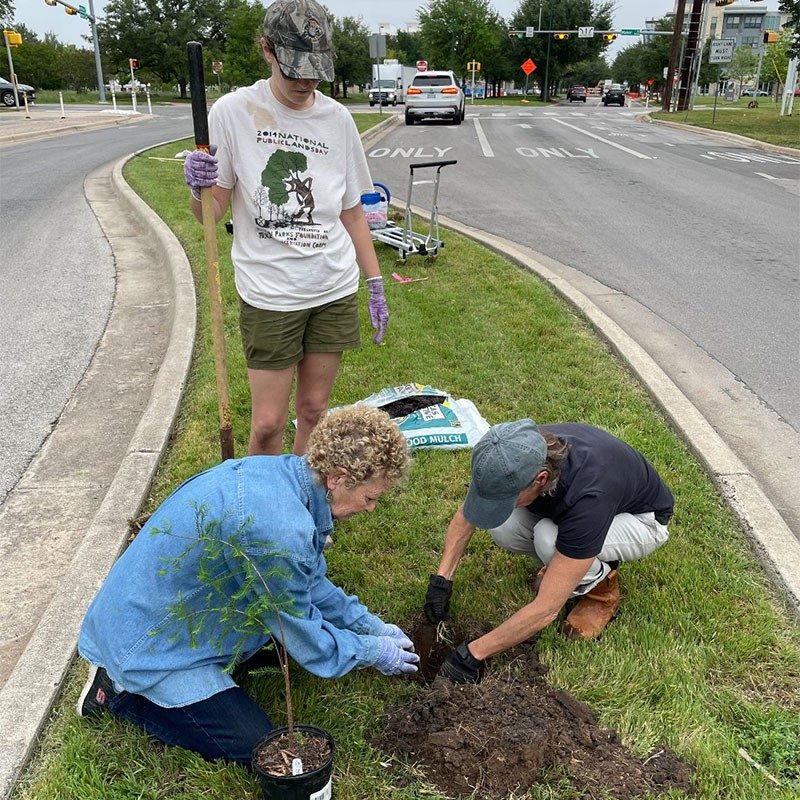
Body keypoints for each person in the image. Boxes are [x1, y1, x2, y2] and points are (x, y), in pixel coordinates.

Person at [76, 406, 417, 765]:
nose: (372, 509)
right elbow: (307, 638)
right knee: (255, 746)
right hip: (147, 642)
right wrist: (372, 651)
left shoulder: (284, 477)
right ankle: (113, 691)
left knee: (271, 642)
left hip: (161, 610)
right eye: (370, 497)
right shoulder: (279, 532)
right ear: (338, 478)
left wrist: (367, 625)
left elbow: (309, 582)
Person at [183, 0, 388, 456]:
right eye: (295, 68)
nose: (306, 80)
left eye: (315, 68)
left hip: (332, 286)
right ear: (266, 50)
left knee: (315, 411)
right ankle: (264, 511)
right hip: (270, 292)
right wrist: (200, 189)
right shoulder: (233, 112)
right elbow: (212, 215)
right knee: (268, 426)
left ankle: (300, 505)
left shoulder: (337, 120)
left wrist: (374, 282)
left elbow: (351, 211)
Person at [425, 419, 674, 684]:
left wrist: (473, 655)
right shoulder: (513, 452)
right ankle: (566, 565)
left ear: (540, 479)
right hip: (580, 507)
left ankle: (601, 590)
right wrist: (442, 579)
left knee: (548, 539)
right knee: (503, 527)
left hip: (641, 520)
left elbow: (546, 609)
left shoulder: (588, 498)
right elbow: (468, 514)